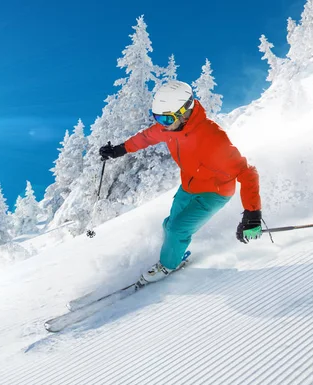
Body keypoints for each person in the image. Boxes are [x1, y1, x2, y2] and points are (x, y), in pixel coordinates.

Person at [99, 80, 262, 284]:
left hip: (215, 192)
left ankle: (168, 265)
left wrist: (252, 213)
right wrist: (119, 150)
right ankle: (176, 253)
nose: (162, 124)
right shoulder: (169, 127)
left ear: (185, 111)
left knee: (177, 229)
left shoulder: (212, 137)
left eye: (166, 118)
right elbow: (146, 138)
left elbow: (247, 172)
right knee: (168, 225)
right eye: (157, 117)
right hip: (189, 186)